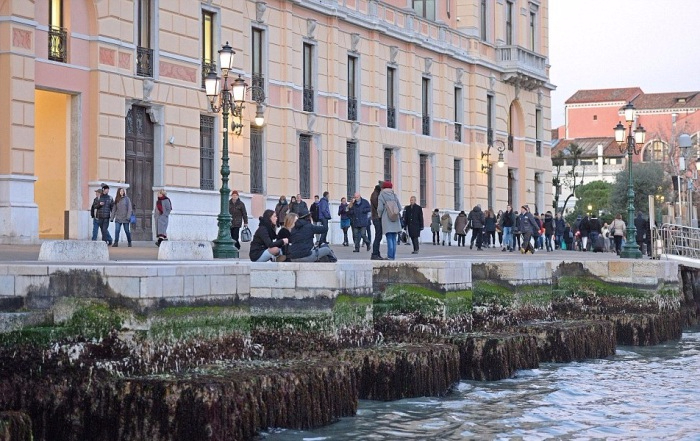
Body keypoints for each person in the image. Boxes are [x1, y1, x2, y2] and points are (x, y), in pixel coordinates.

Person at [377, 181, 402, 260]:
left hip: (386, 218)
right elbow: (400, 207)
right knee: (394, 238)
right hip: (395, 218)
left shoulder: (382, 195)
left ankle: (390, 256)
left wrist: (379, 215)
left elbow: (380, 208)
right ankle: (393, 256)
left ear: (383, 187)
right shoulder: (394, 195)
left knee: (389, 238)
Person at [370, 183, 383, 259]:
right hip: (376, 218)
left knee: (378, 236)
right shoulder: (375, 195)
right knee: (378, 236)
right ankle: (375, 253)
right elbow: (378, 206)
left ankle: (377, 253)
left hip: (376, 217)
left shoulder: (375, 194)